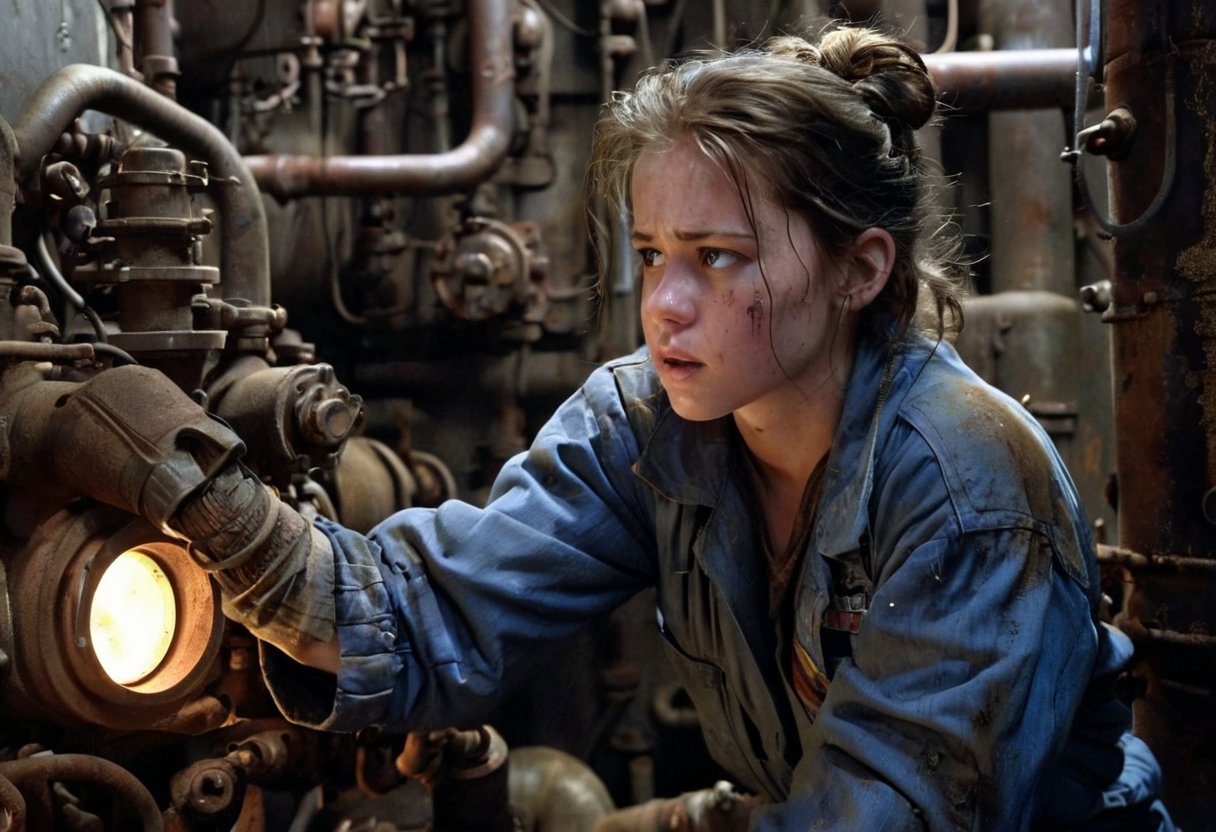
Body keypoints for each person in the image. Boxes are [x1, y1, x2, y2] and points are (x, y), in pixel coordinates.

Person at [70, 23, 1173, 831]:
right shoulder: (650, 417)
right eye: (652, 255)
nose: (664, 304)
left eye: (718, 257)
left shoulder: (965, 480)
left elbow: (893, 814)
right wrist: (197, 490)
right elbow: (416, 615)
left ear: (859, 268)